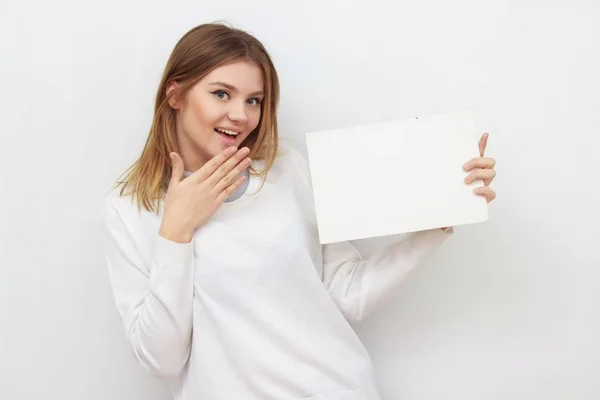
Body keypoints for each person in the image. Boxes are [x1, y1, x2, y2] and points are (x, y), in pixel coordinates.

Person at [102, 22, 497, 400]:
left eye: (253, 100)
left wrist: (440, 219)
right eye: (221, 93)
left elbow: (348, 294)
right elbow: (162, 360)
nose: (241, 115)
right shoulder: (131, 208)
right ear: (176, 94)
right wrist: (176, 230)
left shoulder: (286, 169)